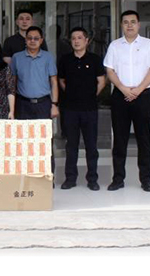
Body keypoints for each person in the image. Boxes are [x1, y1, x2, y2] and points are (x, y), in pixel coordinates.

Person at [103, 10, 150, 193]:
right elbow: (110, 71)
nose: (129, 25)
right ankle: (118, 179)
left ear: (139, 24)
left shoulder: (148, 45)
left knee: (144, 139)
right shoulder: (115, 46)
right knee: (119, 139)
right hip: (120, 96)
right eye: (126, 22)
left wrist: (138, 89)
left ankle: (146, 179)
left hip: (143, 96)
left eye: (133, 22)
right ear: (121, 25)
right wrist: (123, 88)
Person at [58, 27, 106, 191]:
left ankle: (92, 179)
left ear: (87, 41)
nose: (76, 41)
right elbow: (61, 81)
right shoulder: (65, 60)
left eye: (79, 38)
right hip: (70, 109)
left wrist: (90, 95)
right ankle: (70, 178)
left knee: (91, 146)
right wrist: (72, 94)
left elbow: (101, 81)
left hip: (89, 109)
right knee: (71, 145)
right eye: (73, 38)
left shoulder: (94, 59)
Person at [10, 26, 59, 173]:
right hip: (22, 103)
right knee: (22, 141)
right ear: (25, 40)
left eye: (36, 38)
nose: (33, 41)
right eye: (29, 38)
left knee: (45, 141)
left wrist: (54, 104)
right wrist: (12, 107)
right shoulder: (17, 57)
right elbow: (13, 82)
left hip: (43, 104)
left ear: (41, 40)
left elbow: (54, 82)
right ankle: (25, 175)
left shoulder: (48, 57)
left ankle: (48, 176)